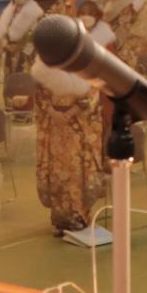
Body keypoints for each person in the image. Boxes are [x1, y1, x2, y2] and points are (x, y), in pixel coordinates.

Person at [32, 27, 106, 236]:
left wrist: (73, 110)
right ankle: (60, 218)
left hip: (78, 124)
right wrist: (51, 111)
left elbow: (93, 92)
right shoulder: (45, 62)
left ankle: (79, 216)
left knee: (77, 169)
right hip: (55, 123)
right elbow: (39, 91)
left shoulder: (88, 61)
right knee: (57, 169)